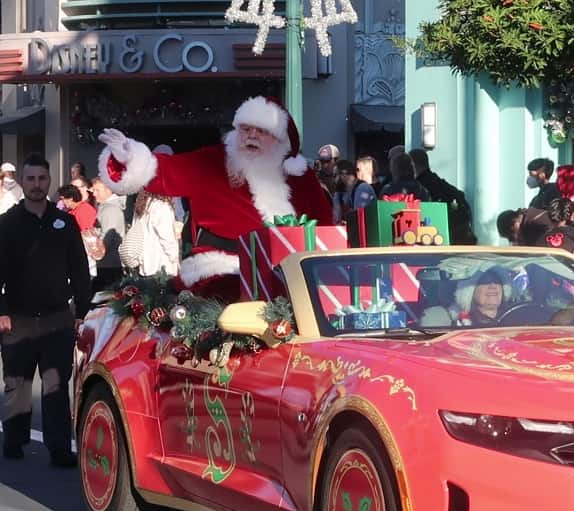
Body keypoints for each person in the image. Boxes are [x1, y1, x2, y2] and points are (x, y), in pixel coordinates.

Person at [97, 95, 333, 301]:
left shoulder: (301, 177)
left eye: (261, 131)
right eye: (246, 129)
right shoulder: (215, 162)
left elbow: (324, 229)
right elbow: (164, 172)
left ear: (281, 140)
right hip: (218, 271)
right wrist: (127, 158)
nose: (251, 136)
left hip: (290, 277)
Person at [0, 153, 91, 466]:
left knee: (55, 383)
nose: (36, 185)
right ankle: (13, 439)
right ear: (22, 182)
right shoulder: (7, 224)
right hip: (18, 317)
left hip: (56, 318)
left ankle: (59, 448)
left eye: (41, 179)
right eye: (30, 179)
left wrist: (82, 309)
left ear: (49, 180)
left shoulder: (64, 223)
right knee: (17, 383)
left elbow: (79, 267)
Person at [409, 148, 477, 244]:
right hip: (459, 236)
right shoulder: (441, 185)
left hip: (439, 239)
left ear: (412, 165)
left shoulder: (419, 188)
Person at [420, 267, 511, 327]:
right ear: (469, 292)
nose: (492, 285)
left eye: (497, 281)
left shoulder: (517, 318)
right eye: (484, 282)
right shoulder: (454, 323)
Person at [91, 177, 127, 291]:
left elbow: (107, 236)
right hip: (107, 263)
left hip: (110, 265)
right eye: (94, 190)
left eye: (98, 190)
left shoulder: (110, 210)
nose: (94, 194)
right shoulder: (106, 208)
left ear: (109, 190)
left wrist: (94, 249)